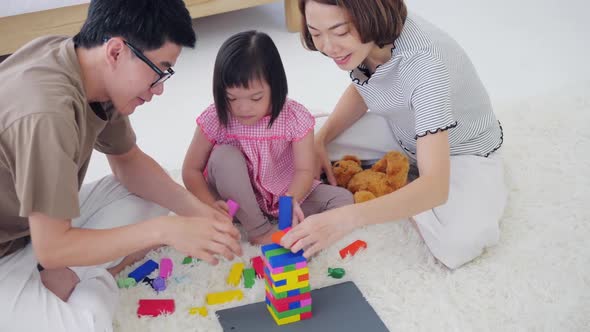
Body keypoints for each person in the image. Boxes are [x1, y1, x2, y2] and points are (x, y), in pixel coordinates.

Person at [0, 0, 242, 330]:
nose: (158, 89)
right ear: (116, 52)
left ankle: (62, 272)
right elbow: (52, 248)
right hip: (12, 247)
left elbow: (128, 162)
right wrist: (165, 230)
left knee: (151, 198)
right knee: (86, 323)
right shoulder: (47, 114)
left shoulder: (84, 66)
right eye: (158, 70)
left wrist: (196, 210)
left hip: (31, 223)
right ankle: (87, 278)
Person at [281, 0, 507, 269]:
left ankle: (408, 192)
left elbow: (436, 187)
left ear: (370, 16)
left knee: (460, 242)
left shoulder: (425, 64)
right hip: (401, 127)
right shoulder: (369, 41)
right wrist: (322, 139)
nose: (329, 47)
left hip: (461, 151)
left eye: (340, 32)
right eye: (316, 33)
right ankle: (407, 186)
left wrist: (345, 218)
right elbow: (370, 86)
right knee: (300, 144)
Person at [182, 30, 353, 245]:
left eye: (256, 98)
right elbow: (190, 170)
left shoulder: (294, 117)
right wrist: (210, 204)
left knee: (343, 200)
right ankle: (259, 230)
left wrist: (290, 201)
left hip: (283, 197)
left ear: (276, 86)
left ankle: (283, 224)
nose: (243, 108)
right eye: (231, 98)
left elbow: (304, 170)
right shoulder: (216, 117)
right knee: (225, 156)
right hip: (236, 204)